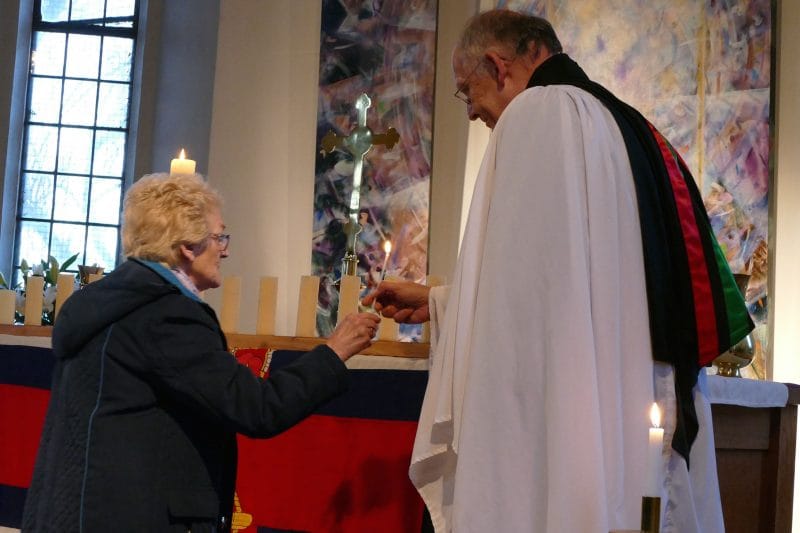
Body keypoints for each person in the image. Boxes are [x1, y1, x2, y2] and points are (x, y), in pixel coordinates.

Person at [362, 9, 753, 533]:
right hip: (639, 394)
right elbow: (582, 282)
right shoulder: (628, 125)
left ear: (498, 67)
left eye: (466, 91)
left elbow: (530, 304)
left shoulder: (536, 114)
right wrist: (438, 303)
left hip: (575, 402)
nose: (473, 112)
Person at [22, 172, 381, 532]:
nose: (225, 248)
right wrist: (334, 352)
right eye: (218, 236)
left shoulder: (104, 304)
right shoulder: (166, 316)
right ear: (187, 246)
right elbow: (257, 408)